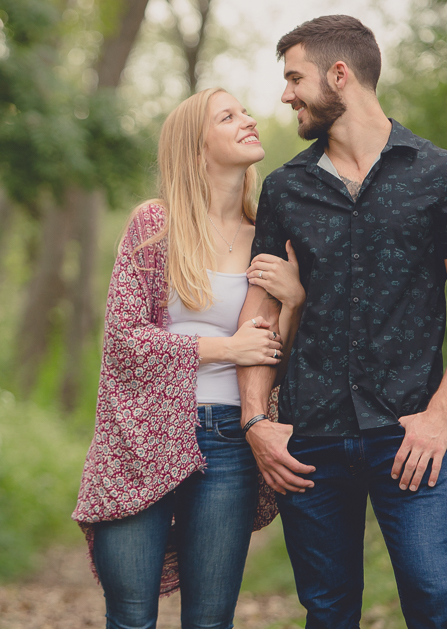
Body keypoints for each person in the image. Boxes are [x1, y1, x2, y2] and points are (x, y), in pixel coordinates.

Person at [237, 15, 447, 628]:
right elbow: (261, 311)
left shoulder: (441, 175)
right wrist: (256, 421)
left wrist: (441, 416)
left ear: (340, 74)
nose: (285, 95)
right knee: (328, 612)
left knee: (435, 599)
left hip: (409, 436)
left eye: (294, 78)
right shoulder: (286, 188)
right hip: (310, 441)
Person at [72, 87, 306, 629]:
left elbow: (276, 357)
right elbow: (124, 340)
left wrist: (293, 303)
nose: (248, 120)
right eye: (229, 116)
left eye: (244, 112)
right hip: (140, 435)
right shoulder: (154, 226)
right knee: (131, 616)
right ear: (197, 150)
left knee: (210, 620)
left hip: (229, 440)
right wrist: (225, 348)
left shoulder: (268, 239)